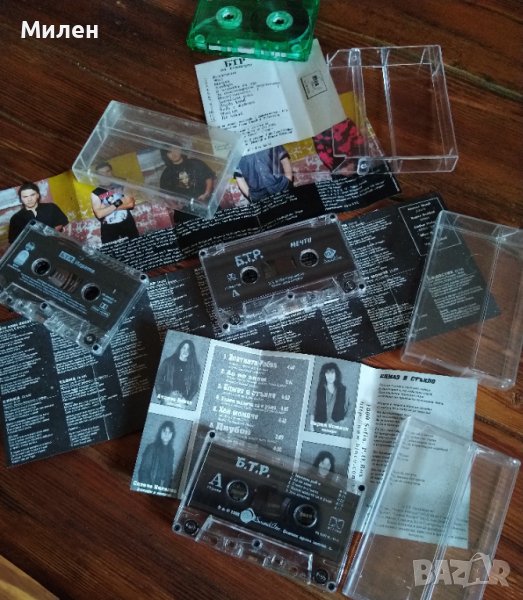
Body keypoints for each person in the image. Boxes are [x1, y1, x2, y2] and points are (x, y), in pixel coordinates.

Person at [91, 162, 139, 244]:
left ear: (111, 172)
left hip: (127, 225)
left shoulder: (122, 184)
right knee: (112, 250)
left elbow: (131, 204)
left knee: (135, 246)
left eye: (107, 171)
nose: (105, 175)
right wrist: (119, 202)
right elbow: (99, 214)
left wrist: (106, 208)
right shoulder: (95, 193)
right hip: (109, 230)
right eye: (101, 174)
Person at [155, 339, 201, 405]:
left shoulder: (195, 367)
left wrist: (187, 400)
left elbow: (195, 386)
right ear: (180, 348)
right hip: (167, 397)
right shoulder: (168, 362)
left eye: (188, 349)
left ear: (191, 352)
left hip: (182, 399)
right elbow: (158, 379)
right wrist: (161, 395)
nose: (185, 351)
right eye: (184, 348)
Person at [138, 420, 175, 489]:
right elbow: (143, 471)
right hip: (150, 486)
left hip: (162, 489)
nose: (166, 434)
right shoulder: (151, 448)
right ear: (160, 432)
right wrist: (148, 488)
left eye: (169, 432)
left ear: (172, 435)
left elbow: (169, 474)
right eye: (164, 431)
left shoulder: (171, 452)